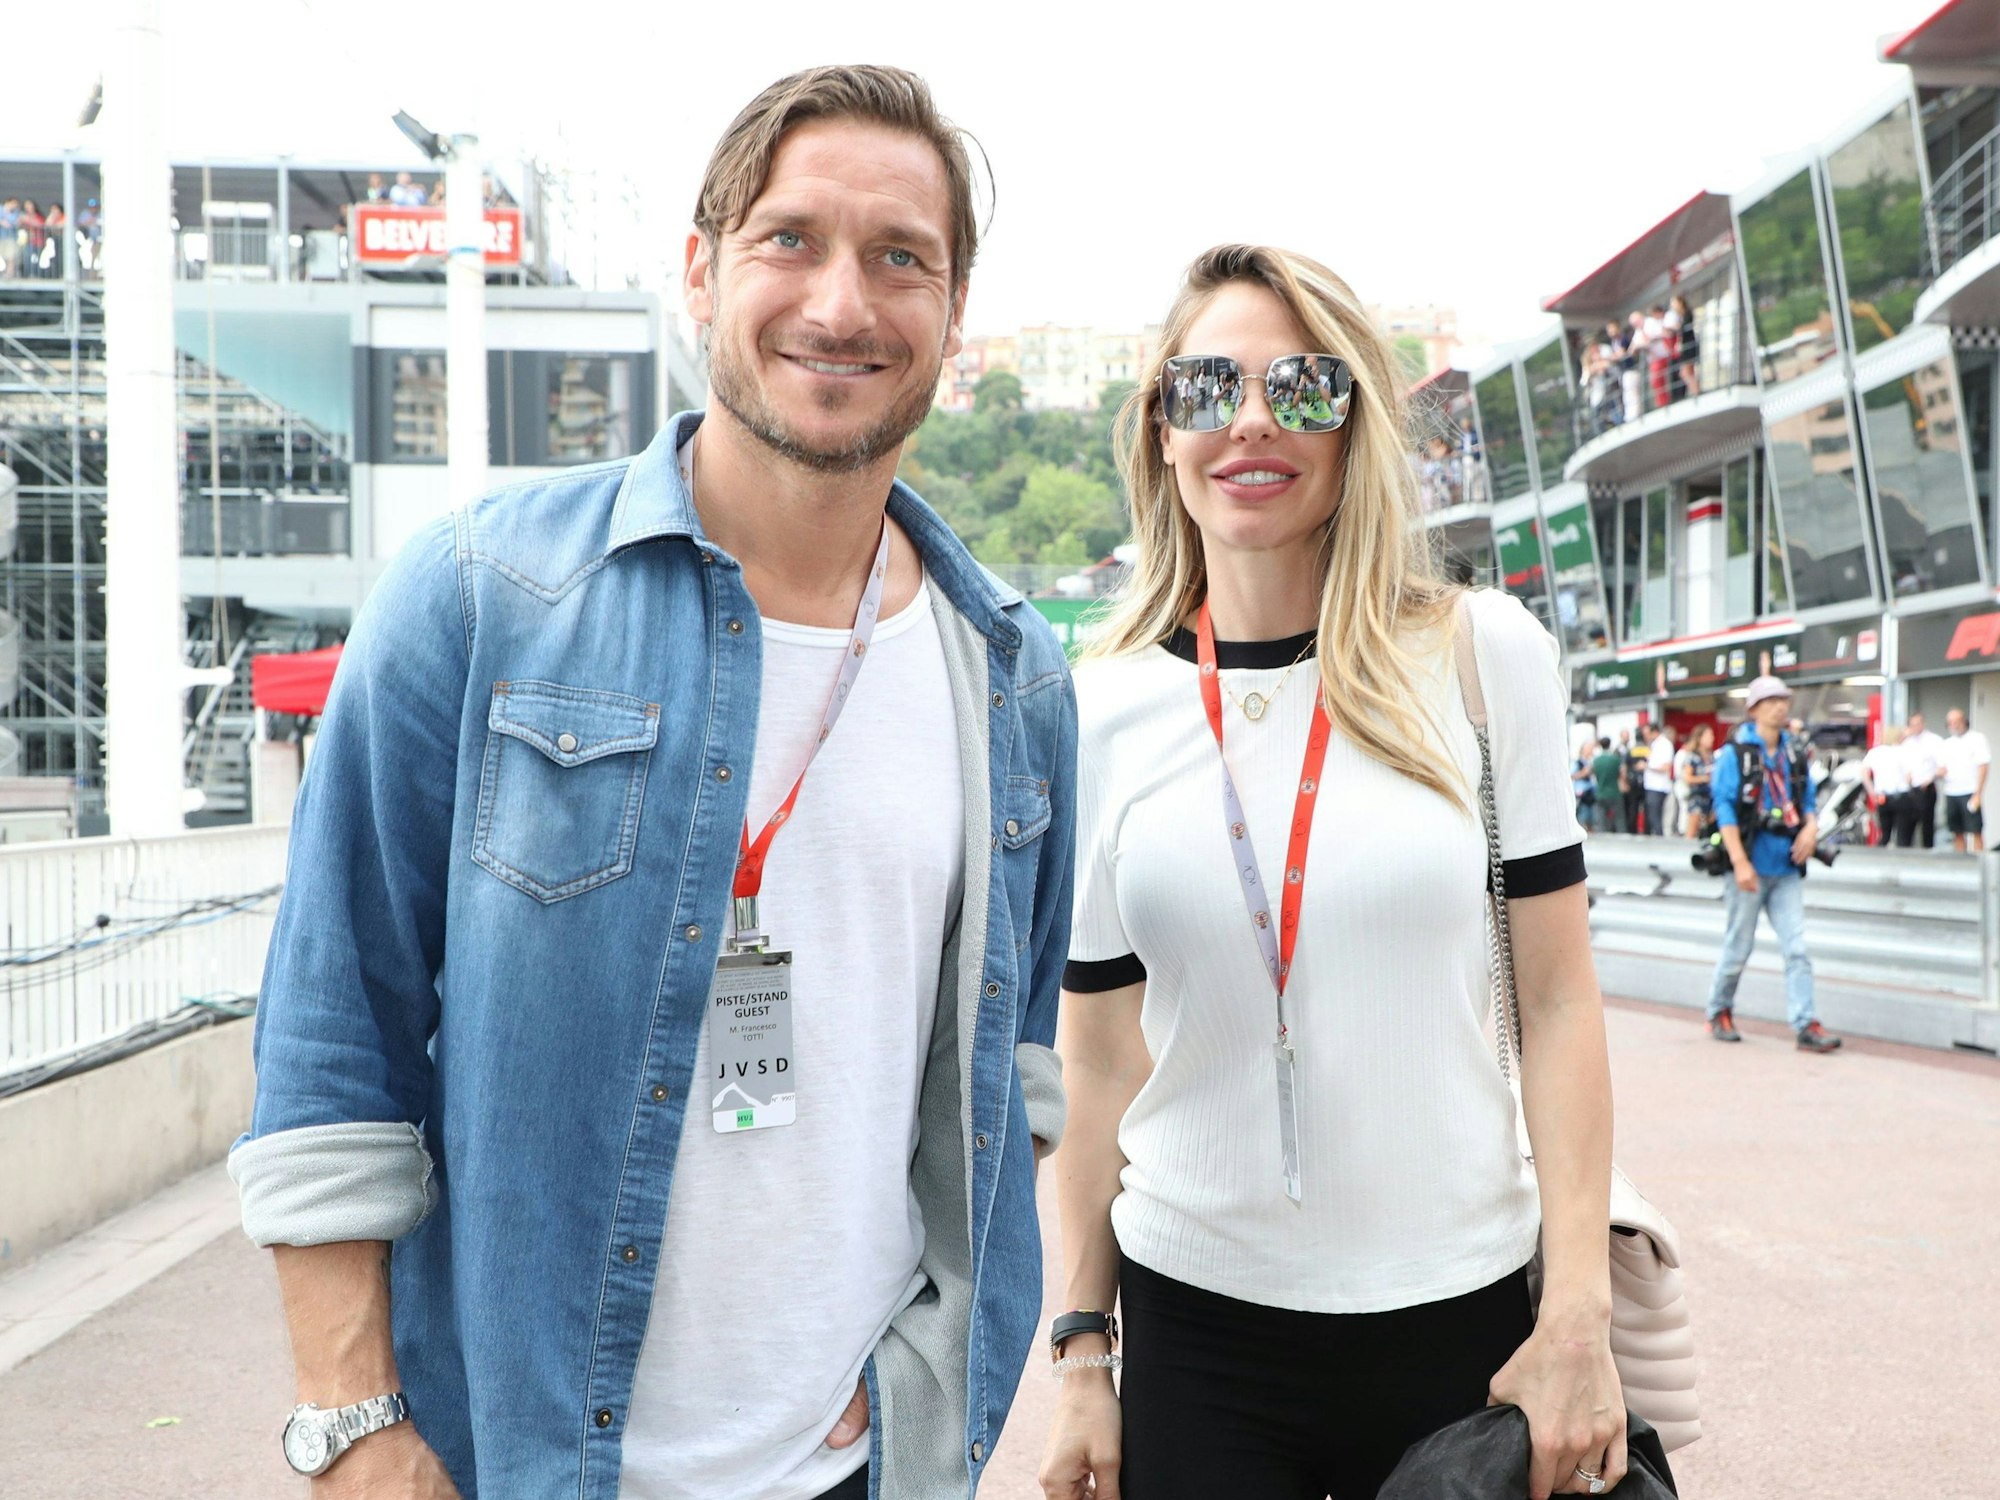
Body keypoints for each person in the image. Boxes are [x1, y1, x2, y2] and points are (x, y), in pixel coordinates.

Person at [230, 66, 1074, 1500]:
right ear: (701, 270)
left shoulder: (1013, 674)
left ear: (952, 309)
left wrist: (932, 1371)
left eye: (899, 258)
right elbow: (331, 1028)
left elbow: (1010, 1080)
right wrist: (352, 1425)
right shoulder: (481, 596)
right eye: (790, 240)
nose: (842, 305)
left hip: (858, 1467)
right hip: (527, 1459)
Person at [1040, 244, 1625, 1500]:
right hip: (1197, 1326)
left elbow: (1565, 1004)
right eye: (1205, 389)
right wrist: (1082, 1355)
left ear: (1354, 420)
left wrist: (1575, 1313)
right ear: (1158, 431)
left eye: (1301, 388)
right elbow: (1095, 1063)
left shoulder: (1480, 657)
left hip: (1455, 1314)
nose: (1251, 422)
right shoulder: (1103, 712)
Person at [1704, 677, 1842, 1052]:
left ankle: (1806, 1024)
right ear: (1753, 710)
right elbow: (1724, 808)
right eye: (1770, 701)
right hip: (1748, 868)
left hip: (1786, 869)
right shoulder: (1736, 753)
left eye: (1783, 700)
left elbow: (1810, 802)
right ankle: (1719, 1011)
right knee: (1738, 946)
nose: (1780, 706)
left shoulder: (1795, 753)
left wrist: (1811, 830)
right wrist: (1739, 862)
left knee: (1797, 948)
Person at [1940, 707, 1990, 853]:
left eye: (1957, 721)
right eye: (1950, 722)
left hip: (1969, 790)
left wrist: (1978, 793)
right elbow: (1942, 766)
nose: (1954, 725)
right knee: (1957, 831)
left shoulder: (1977, 739)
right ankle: (1960, 862)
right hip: (1951, 791)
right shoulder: (1947, 743)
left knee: (1975, 830)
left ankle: (1979, 862)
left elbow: (1983, 766)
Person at [1862, 724, 1915, 847]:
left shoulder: (1875, 752)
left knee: (1885, 833)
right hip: (1901, 795)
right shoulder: (1903, 752)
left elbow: (1864, 774)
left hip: (1882, 796)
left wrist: (1872, 792)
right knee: (1903, 834)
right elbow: (1909, 777)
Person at [1904, 711, 1944, 849]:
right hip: (1911, 787)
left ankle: (1928, 850)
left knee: (1927, 824)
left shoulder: (1934, 741)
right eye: (1912, 725)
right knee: (1908, 824)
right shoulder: (1908, 743)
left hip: (1926, 787)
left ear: (1923, 724)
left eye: (1918, 724)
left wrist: (1929, 779)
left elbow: (1941, 765)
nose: (1915, 727)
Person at [1677, 724, 1715, 838]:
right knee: (1693, 829)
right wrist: (1704, 778)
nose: (1712, 738)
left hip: (1710, 798)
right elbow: (1688, 778)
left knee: (1708, 830)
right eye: (1709, 736)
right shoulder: (1692, 756)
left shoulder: (1711, 756)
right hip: (1697, 796)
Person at [1643, 723, 1676, 838]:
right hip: (1652, 785)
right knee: (1652, 816)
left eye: (1647, 734)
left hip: (1659, 786)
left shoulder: (1665, 745)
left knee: (1656, 816)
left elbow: (1666, 766)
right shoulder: (1654, 744)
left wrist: (1647, 766)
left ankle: (1660, 838)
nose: (1645, 737)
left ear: (1654, 732)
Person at [1591, 735, 1626, 834]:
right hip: (1614, 792)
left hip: (1601, 792)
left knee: (1601, 819)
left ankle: (1602, 837)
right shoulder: (1615, 759)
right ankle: (1622, 837)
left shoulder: (1596, 760)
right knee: (1619, 818)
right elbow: (1622, 774)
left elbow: (1592, 773)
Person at [1668, 294, 1700, 400]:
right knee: (1686, 372)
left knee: (1686, 372)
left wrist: (1675, 328)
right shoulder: (1681, 316)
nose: (1672, 306)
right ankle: (1695, 391)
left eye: (1674, 303)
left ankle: (1696, 392)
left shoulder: (1687, 314)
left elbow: (1684, 329)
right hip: (1686, 346)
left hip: (1688, 347)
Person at [1573, 736, 1599, 828]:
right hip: (1582, 792)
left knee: (1593, 815)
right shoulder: (1578, 762)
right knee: (1583, 814)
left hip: (1593, 791)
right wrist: (1583, 773)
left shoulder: (1593, 761)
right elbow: (1572, 776)